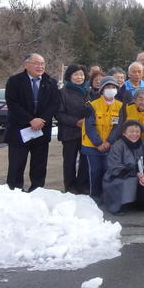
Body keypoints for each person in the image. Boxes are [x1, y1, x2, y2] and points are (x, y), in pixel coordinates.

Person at [5, 53, 60, 191]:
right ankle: (14, 191)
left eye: (42, 63)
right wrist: (30, 120)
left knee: (39, 166)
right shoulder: (15, 81)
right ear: (26, 64)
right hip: (19, 131)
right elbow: (12, 104)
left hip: (41, 130)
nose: (40, 66)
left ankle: (37, 190)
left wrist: (41, 120)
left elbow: (54, 104)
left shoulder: (50, 82)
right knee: (16, 165)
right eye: (36, 63)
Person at [102, 120, 144, 214]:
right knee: (131, 182)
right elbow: (114, 167)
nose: (134, 134)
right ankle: (121, 205)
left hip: (139, 177)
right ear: (124, 133)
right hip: (118, 177)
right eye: (131, 131)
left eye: (137, 132)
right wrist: (134, 174)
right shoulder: (118, 145)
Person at [81, 76, 124, 202]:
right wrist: (98, 143)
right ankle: (94, 195)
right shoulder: (92, 105)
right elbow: (89, 126)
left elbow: (118, 126)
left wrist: (109, 142)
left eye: (113, 87)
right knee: (95, 171)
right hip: (92, 146)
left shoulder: (120, 106)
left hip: (110, 145)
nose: (111, 89)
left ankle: (107, 195)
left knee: (108, 170)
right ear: (102, 90)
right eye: (108, 87)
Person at [56, 64, 90, 194]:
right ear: (69, 76)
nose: (79, 77)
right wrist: (76, 122)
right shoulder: (63, 92)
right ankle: (70, 186)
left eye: (81, 74)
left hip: (86, 132)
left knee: (85, 160)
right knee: (69, 161)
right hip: (69, 132)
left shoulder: (88, 91)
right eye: (76, 74)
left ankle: (82, 184)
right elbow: (59, 114)